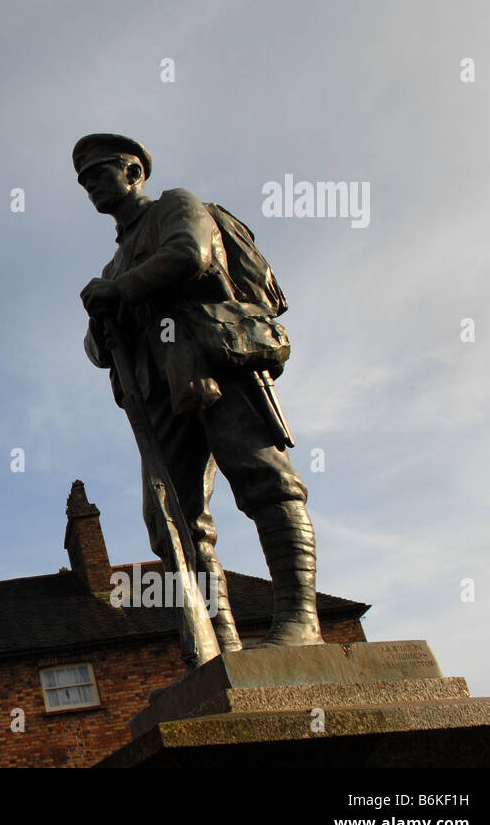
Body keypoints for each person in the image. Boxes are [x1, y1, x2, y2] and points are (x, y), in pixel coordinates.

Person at [75, 133, 322, 661]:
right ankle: (222, 647)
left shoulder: (174, 206)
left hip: (212, 361)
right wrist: (101, 314)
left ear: (134, 171)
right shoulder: (114, 266)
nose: (89, 184)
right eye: (83, 179)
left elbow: (192, 254)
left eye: (99, 171)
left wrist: (116, 293)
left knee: (264, 480)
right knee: (174, 525)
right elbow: (97, 351)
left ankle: (301, 622)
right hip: (158, 391)